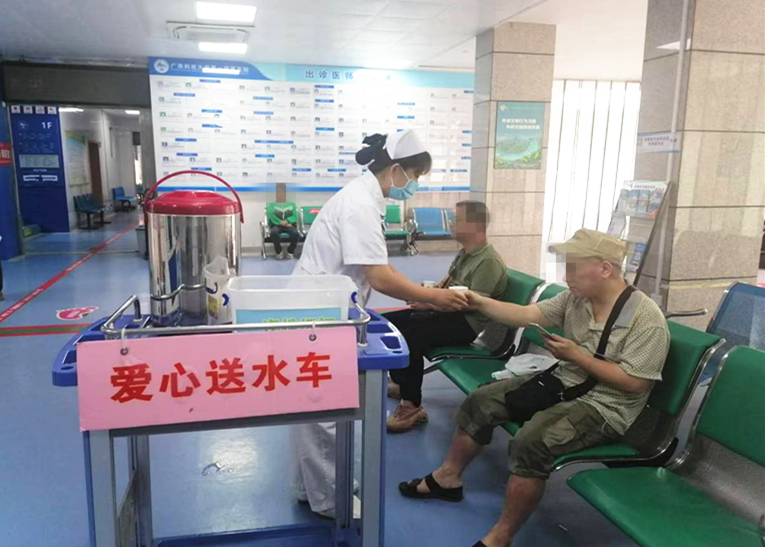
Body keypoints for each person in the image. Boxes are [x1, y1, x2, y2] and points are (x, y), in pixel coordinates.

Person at [399, 229, 670, 547]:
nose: (566, 276)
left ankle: (502, 536)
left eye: (573, 267)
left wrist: (577, 357)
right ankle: (448, 478)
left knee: (532, 442)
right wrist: (478, 300)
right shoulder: (576, 298)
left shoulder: (645, 319)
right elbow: (526, 315)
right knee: (481, 400)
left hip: (606, 407)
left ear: (605, 269)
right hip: (565, 381)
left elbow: (635, 383)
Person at [291, 130, 469, 518]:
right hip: (320, 313)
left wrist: (416, 294)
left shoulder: (364, 197)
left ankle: (313, 486)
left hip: (327, 307)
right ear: (396, 169)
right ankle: (330, 500)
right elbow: (380, 276)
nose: (415, 185)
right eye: (415, 176)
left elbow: (378, 270)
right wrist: (433, 298)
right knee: (324, 408)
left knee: (316, 408)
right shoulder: (360, 204)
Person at [385, 200, 507, 433]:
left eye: (457, 220)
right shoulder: (465, 254)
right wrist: (426, 296)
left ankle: (412, 407)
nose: (451, 224)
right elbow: (446, 284)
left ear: (475, 225)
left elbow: (473, 305)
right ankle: (401, 383)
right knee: (390, 324)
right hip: (446, 314)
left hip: (466, 325)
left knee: (411, 338)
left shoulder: (488, 261)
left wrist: (429, 303)